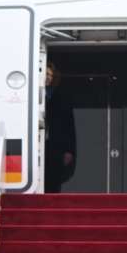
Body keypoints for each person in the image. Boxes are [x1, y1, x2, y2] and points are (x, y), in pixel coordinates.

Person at [44, 62, 76, 193]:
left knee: (54, 179)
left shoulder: (61, 99)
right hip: (36, 145)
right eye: (46, 74)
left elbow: (69, 127)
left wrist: (69, 150)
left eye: (51, 75)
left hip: (56, 145)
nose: (48, 77)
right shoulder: (31, 95)